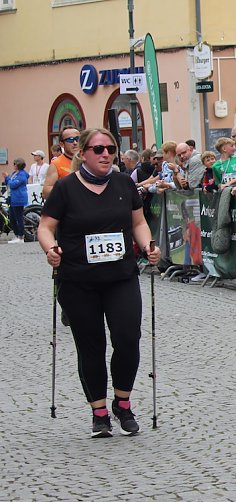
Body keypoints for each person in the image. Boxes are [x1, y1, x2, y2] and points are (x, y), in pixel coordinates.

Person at [37, 127, 161, 438]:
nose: (106, 154)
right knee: (91, 346)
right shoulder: (66, 188)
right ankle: (99, 412)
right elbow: (45, 227)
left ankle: (123, 402)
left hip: (120, 276)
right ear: (83, 153)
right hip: (78, 280)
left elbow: (138, 222)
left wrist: (148, 245)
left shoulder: (123, 183)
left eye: (110, 148)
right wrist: (51, 249)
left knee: (127, 338)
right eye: (98, 149)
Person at [42, 127, 80, 198]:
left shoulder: (87, 160)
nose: (75, 143)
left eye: (78, 139)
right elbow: (45, 193)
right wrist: (69, 189)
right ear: (62, 144)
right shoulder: (56, 164)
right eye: (70, 140)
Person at [2, 158, 28, 243]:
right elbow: (8, 183)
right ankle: (17, 235)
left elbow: (13, 184)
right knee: (12, 218)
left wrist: (7, 178)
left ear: (17, 165)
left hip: (18, 198)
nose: (13, 165)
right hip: (12, 198)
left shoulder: (22, 175)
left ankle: (21, 237)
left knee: (18, 218)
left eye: (14, 164)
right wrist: (6, 179)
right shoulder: (14, 173)